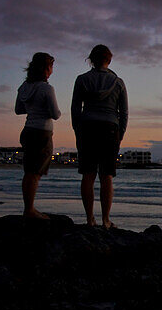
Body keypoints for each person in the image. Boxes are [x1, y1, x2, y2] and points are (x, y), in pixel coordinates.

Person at [71, 44, 128, 228]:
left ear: (91, 60)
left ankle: (90, 219)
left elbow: (75, 109)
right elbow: (124, 112)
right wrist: (121, 133)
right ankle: (105, 220)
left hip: (87, 127)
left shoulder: (81, 80)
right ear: (109, 60)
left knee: (88, 174)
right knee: (107, 175)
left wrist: (77, 130)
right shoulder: (118, 82)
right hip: (110, 128)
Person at [15, 52, 61, 219]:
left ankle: (29, 207)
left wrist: (32, 107)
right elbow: (55, 114)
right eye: (51, 66)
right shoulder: (46, 88)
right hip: (42, 132)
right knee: (34, 173)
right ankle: (30, 210)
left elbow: (18, 110)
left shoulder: (24, 87)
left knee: (29, 171)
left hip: (27, 130)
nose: (52, 70)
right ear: (46, 68)